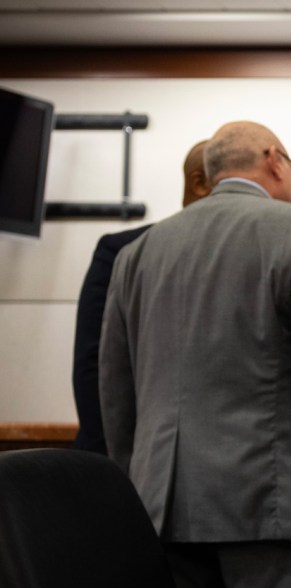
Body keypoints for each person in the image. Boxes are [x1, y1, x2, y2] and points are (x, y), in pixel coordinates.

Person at [100, 121, 291, 588]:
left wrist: (134, 494)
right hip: (270, 508)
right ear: (274, 161)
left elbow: (116, 391)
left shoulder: (137, 253)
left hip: (161, 508)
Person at [72, 139, 211, 454]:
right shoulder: (125, 251)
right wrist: (111, 470)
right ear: (200, 183)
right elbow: (94, 366)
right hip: (124, 460)